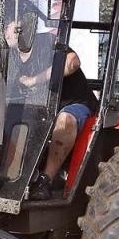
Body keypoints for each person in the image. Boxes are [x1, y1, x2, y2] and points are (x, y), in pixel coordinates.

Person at [29, 49, 100, 200]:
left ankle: (45, 180)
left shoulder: (49, 43)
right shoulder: (10, 55)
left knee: (65, 120)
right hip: (43, 107)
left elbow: (73, 62)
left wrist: (34, 80)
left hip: (75, 104)